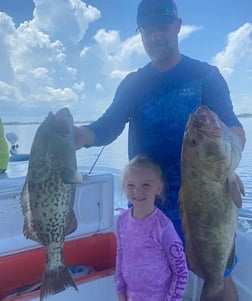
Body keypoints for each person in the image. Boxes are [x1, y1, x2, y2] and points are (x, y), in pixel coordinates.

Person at [74, 0, 246, 300]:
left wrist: (226, 163)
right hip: (147, 203)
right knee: (152, 282)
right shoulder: (134, 83)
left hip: (205, 202)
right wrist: (78, 136)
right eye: (148, 29)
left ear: (177, 27)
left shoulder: (206, 76)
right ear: (140, 32)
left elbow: (234, 128)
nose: (156, 36)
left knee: (220, 277)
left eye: (162, 28)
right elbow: (108, 126)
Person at [115, 156, 188, 301]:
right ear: (124, 187)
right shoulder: (121, 221)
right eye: (131, 185)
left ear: (158, 188)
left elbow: (181, 273)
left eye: (146, 185)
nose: (137, 191)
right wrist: (120, 290)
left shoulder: (163, 227)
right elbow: (120, 255)